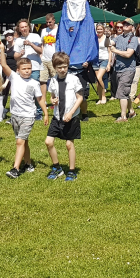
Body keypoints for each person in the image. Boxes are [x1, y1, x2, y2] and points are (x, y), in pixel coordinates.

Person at [0, 51, 47, 178]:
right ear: (18, 70)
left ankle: (15, 169)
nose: (27, 71)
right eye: (24, 69)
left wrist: (46, 113)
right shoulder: (14, 77)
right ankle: (28, 164)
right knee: (23, 141)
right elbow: (3, 65)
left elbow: (40, 99)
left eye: (29, 68)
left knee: (20, 142)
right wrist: (1, 49)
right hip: (15, 115)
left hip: (28, 116)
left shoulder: (34, 83)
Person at [44, 52, 84, 182]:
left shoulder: (73, 79)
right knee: (48, 142)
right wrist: (53, 100)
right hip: (57, 116)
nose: (62, 69)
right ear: (55, 67)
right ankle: (57, 167)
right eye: (60, 67)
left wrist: (71, 113)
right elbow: (52, 96)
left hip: (71, 117)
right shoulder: (53, 80)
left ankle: (72, 171)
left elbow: (80, 98)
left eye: (65, 67)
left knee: (69, 144)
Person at [110, 18, 139, 122]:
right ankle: (131, 111)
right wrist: (107, 35)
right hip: (119, 68)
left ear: (132, 27)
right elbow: (108, 43)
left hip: (128, 69)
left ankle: (123, 117)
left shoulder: (134, 38)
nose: (125, 25)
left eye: (128, 24)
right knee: (124, 92)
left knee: (122, 92)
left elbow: (128, 54)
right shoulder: (118, 37)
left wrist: (115, 51)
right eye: (124, 23)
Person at [39, 13, 59, 102]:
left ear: (54, 21)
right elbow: (42, 43)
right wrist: (41, 54)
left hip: (54, 59)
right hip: (44, 58)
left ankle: (54, 98)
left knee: (54, 79)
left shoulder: (59, 29)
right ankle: (43, 100)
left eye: (50, 22)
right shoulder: (44, 31)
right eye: (47, 22)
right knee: (42, 80)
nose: (48, 24)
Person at [95, 23, 112, 104]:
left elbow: (110, 52)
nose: (99, 31)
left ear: (104, 30)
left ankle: (104, 96)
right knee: (97, 81)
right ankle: (100, 98)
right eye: (98, 29)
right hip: (95, 60)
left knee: (99, 77)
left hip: (104, 59)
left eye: (101, 29)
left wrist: (109, 63)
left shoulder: (106, 38)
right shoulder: (94, 38)